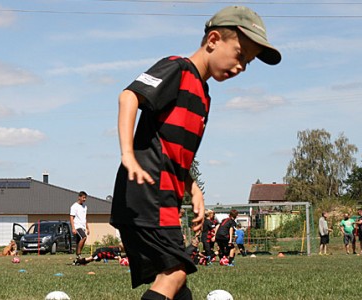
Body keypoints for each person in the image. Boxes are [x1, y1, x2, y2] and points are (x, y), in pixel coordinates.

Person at [110, 6, 281, 299]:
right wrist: (127, 153)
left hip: (163, 197)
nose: (241, 67)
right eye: (240, 55)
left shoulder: (203, 96)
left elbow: (173, 151)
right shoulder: (177, 69)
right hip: (148, 192)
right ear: (213, 39)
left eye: (248, 63)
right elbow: (129, 96)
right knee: (175, 272)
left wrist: (193, 188)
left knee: (178, 285)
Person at [70, 191, 89, 259]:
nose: (84, 199)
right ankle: (79, 254)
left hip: (83, 226)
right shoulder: (74, 206)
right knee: (84, 237)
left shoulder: (85, 207)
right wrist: (73, 228)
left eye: (85, 198)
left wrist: (87, 228)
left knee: (79, 241)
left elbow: (85, 218)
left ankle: (77, 258)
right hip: (77, 226)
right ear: (79, 197)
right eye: (83, 198)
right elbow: (71, 217)